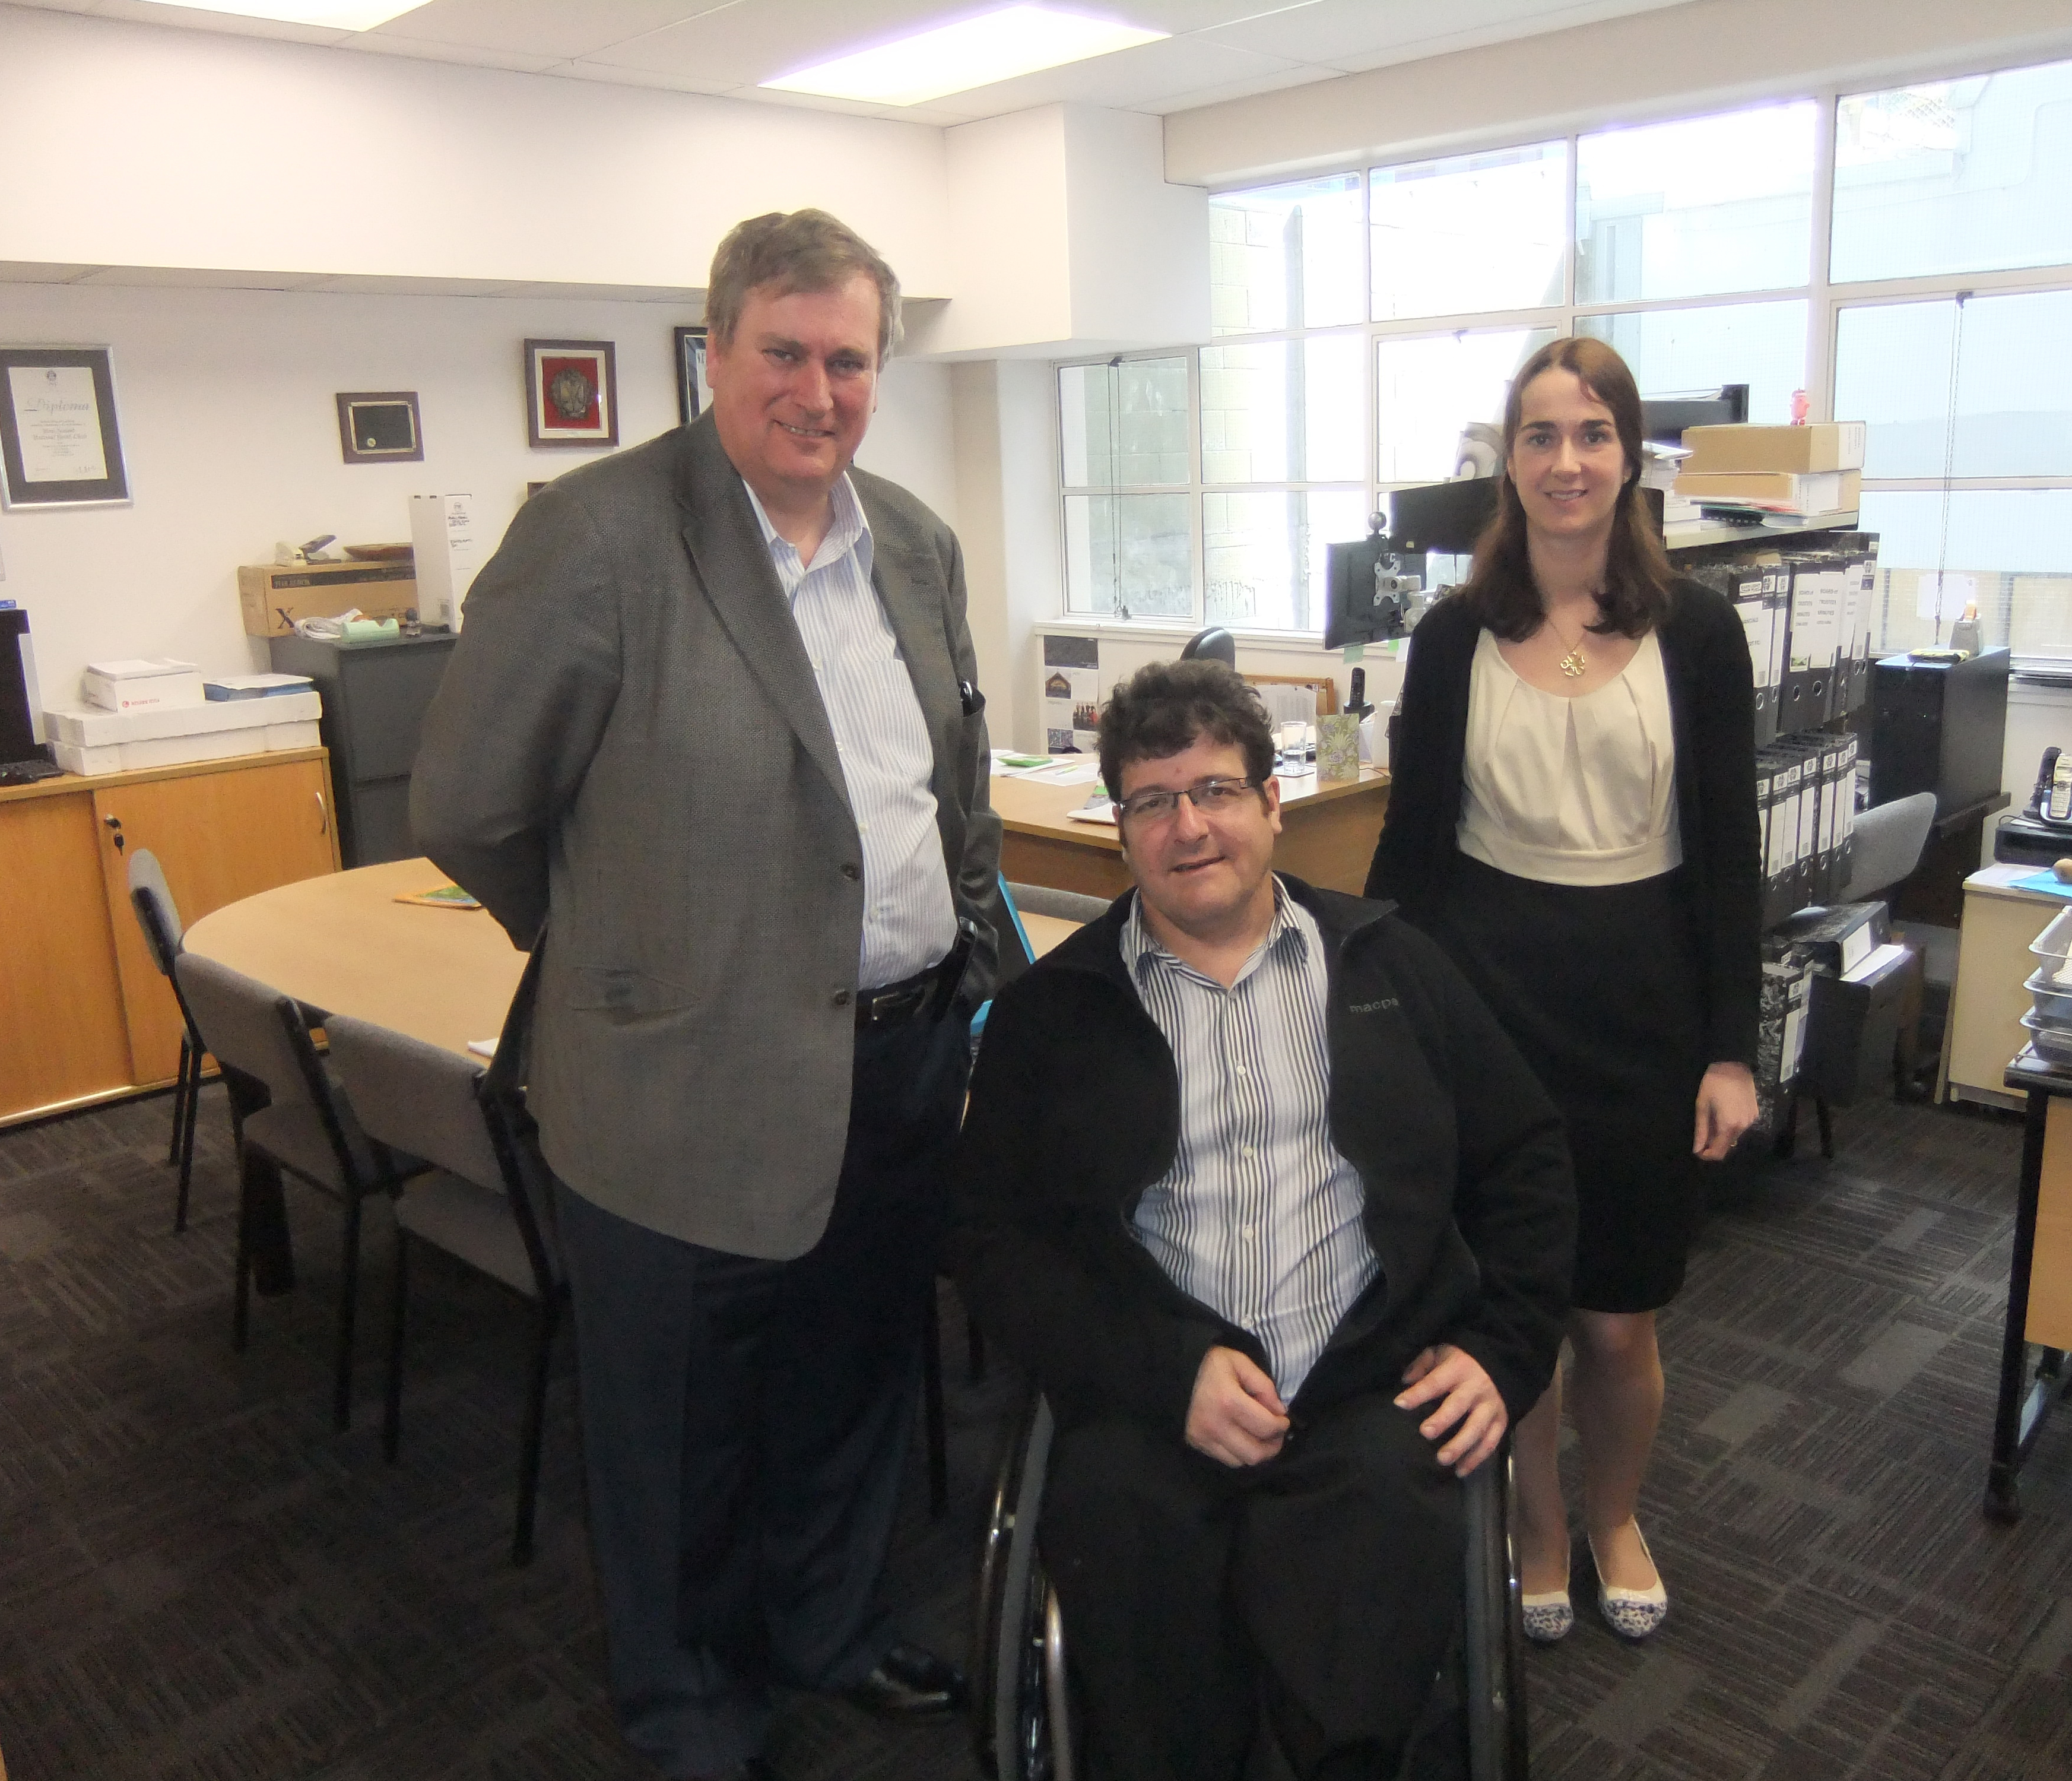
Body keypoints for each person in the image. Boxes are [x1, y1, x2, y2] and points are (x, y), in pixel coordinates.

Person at [410, 209, 1004, 1781]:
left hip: (898, 1056)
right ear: (718, 352)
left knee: (858, 1378)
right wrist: (624, 956)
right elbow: (470, 801)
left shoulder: (919, 545)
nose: (820, 390)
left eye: (850, 359)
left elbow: (948, 791)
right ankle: (686, 1705)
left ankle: (824, 1626)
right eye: (786, 354)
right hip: (680, 1079)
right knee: (682, 1427)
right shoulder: (601, 538)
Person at [953, 660, 1576, 1781]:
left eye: (1218, 791)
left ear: (1271, 805)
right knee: (1153, 1712)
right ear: (1122, 826)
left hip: (1367, 1391)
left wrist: (1502, 1351)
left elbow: (1526, 1160)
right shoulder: (1052, 1017)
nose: (1190, 827)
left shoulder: (1392, 969)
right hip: (1151, 1396)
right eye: (1154, 801)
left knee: (1360, 1710)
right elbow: (996, 1241)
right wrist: (1163, 1369)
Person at [1365, 335, 1760, 1645]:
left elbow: (1728, 857)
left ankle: (1614, 1515)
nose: (1565, 461)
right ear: (1507, 463)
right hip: (1489, 1008)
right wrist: (1369, 1015)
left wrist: (1729, 1048)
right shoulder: (1451, 637)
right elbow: (1411, 850)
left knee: (1618, 1318)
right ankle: (1536, 1520)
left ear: (1628, 457)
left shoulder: (1697, 633)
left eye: (1590, 434)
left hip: (1641, 1016)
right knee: (1517, 1304)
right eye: (1539, 436)